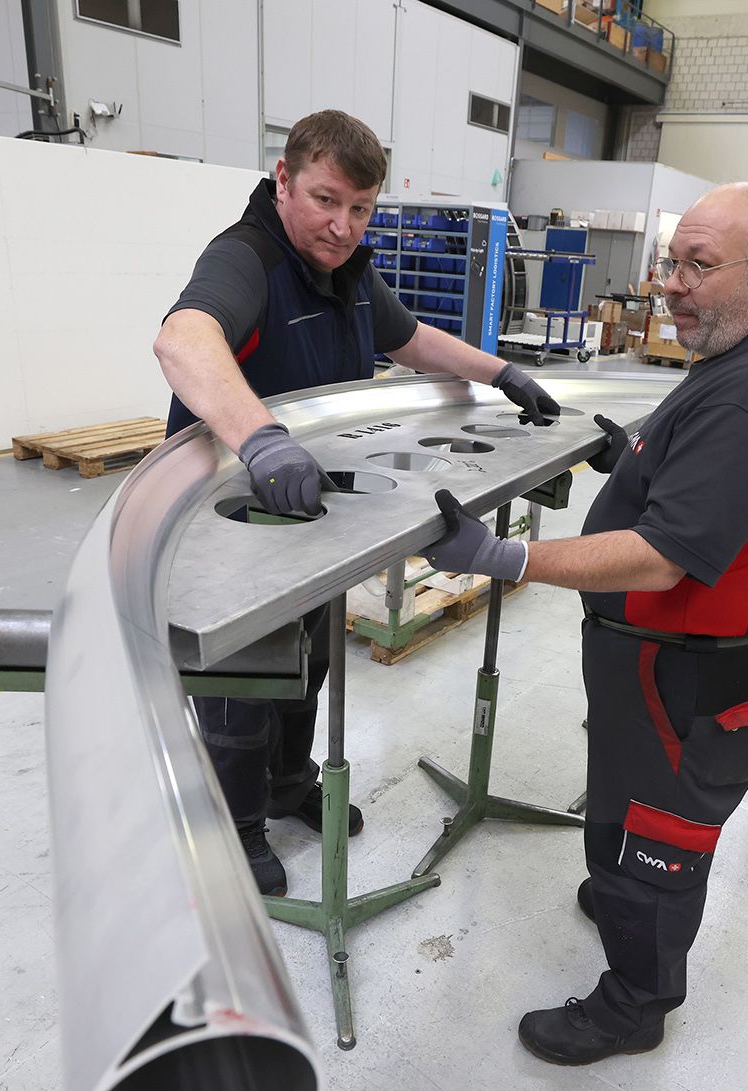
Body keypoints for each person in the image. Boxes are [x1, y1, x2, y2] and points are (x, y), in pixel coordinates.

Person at [421, 182, 748, 1065]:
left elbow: (663, 557)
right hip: (664, 664)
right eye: (670, 262)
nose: (670, 285)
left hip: (694, 677)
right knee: (626, 806)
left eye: (697, 265)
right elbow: (712, 488)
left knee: (659, 834)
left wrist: (507, 558)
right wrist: (637, 457)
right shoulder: (746, 364)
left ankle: (633, 1003)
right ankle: (619, 894)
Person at [153, 109, 562, 897]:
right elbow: (183, 339)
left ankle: (286, 786)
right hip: (236, 521)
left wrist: (500, 371)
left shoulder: (345, 273)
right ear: (283, 182)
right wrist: (262, 439)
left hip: (313, 515)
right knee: (241, 683)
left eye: (361, 208)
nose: (342, 226)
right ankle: (232, 827)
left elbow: (410, 340)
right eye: (325, 199)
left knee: (308, 661)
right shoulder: (245, 259)